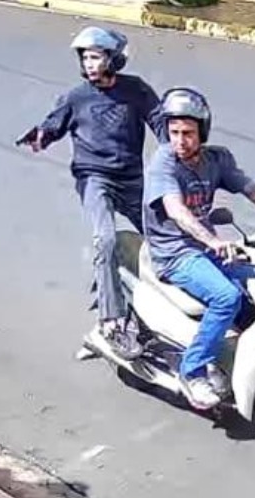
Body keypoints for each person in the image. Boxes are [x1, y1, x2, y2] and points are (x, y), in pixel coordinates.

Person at [142, 87, 255, 409]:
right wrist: (213, 241)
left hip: (207, 246)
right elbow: (176, 210)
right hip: (175, 252)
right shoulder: (163, 163)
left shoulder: (217, 159)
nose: (180, 141)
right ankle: (192, 371)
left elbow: (249, 188)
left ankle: (244, 357)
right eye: (174, 132)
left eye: (188, 133)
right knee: (227, 297)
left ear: (203, 131)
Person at [20, 26, 166, 359]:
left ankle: (166, 313)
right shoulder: (76, 97)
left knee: (165, 235)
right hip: (94, 178)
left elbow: (160, 123)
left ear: (113, 59)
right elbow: (53, 124)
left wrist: (176, 152)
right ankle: (110, 324)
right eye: (85, 57)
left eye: (96, 56)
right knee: (106, 239)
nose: (89, 64)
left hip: (132, 178)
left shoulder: (136, 90)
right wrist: (41, 135)